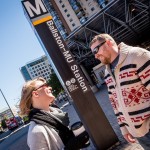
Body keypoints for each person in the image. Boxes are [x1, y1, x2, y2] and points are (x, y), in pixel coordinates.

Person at [90, 34, 150, 149]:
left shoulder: (137, 56)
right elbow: (115, 104)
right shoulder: (107, 73)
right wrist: (124, 128)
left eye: (96, 50)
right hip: (138, 134)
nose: (96, 56)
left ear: (108, 42)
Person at [19, 77, 89, 150]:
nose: (50, 87)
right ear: (36, 94)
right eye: (45, 85)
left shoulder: (56, 115)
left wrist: (73, 138)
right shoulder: (36, 131)